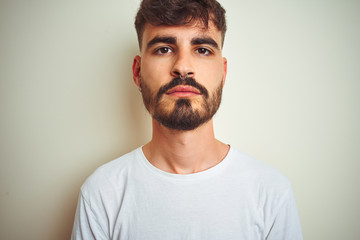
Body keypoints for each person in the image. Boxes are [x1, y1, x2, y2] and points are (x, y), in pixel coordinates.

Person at [71, 0, 303, 239]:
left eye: (202, 49)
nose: (182, 67)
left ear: (223, 73)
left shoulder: (271, 192)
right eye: (164, 49)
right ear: (137, 72)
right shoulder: (102, 193)